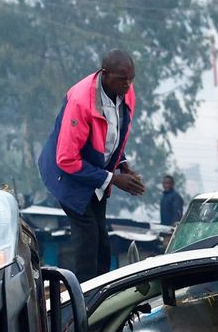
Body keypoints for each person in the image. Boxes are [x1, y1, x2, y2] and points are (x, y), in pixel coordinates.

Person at [38, 48, 146, 281]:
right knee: (88, 243)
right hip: (67, 175)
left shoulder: (127, 93)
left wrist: (121, 164)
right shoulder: (80, 101)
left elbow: (113, 133)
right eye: (122, 79)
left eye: (131, 79)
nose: (128, 85)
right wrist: (114, 179)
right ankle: (84, 302)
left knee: (102, 247)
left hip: (96, 173)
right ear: (105, 74)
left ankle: (101, 294)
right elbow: (66, 159)